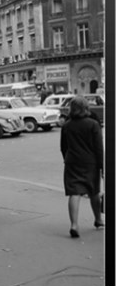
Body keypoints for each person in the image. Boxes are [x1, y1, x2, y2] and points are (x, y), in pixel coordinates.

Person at [60, 96, 104, 238]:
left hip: (72, 162)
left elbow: (63, 146)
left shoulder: (67, 125)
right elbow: (98, 148)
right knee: (94, 191)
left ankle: (74, 224)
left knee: (74, 192)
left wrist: (66, 159)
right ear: (86, 108)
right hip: (90, 162)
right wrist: (102, 166)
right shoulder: (93, 124)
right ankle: (98, 219)